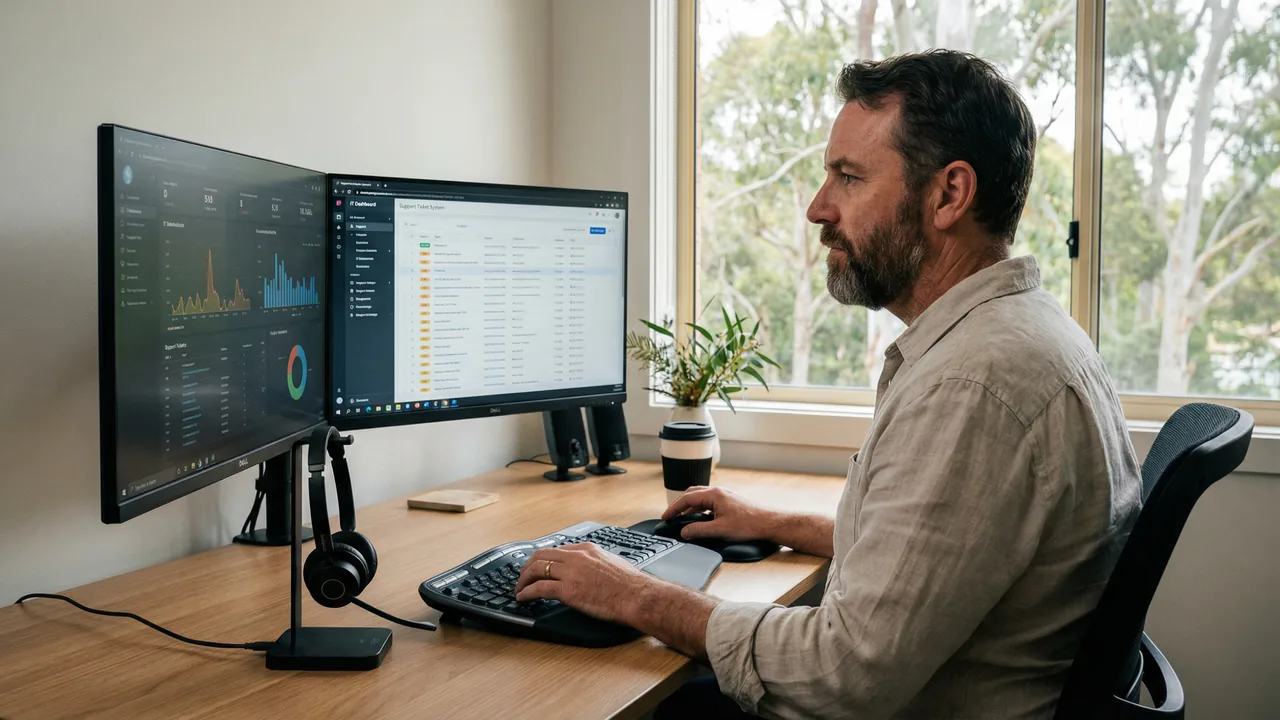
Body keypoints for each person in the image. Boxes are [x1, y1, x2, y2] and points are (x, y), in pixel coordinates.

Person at [513, 49, 1142, 719]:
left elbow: (844, 671)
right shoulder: (1017, 333)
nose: (818, 208)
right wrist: (774, 523)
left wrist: (634, 594)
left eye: (848, 177)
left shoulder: (975, 384)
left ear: (949, 195)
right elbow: (938, 557)